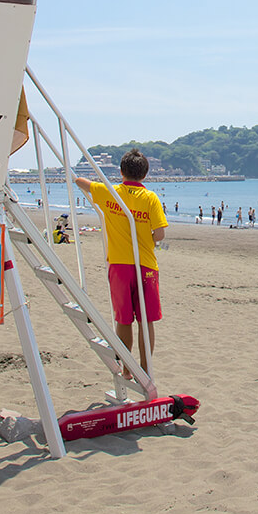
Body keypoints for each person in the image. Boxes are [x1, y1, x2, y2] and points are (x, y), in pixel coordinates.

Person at [74, 149, 167, 377]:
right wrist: (148, 240)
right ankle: (144, 368)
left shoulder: (111, 193)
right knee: (146, 320)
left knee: (123, 318)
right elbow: (161, 234)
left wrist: (92, 180)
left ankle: (127, 368)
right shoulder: (150, 198)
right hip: (145, 263)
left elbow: (80, 181)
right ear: (145, 175)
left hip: (118, 264)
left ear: (121, 171)